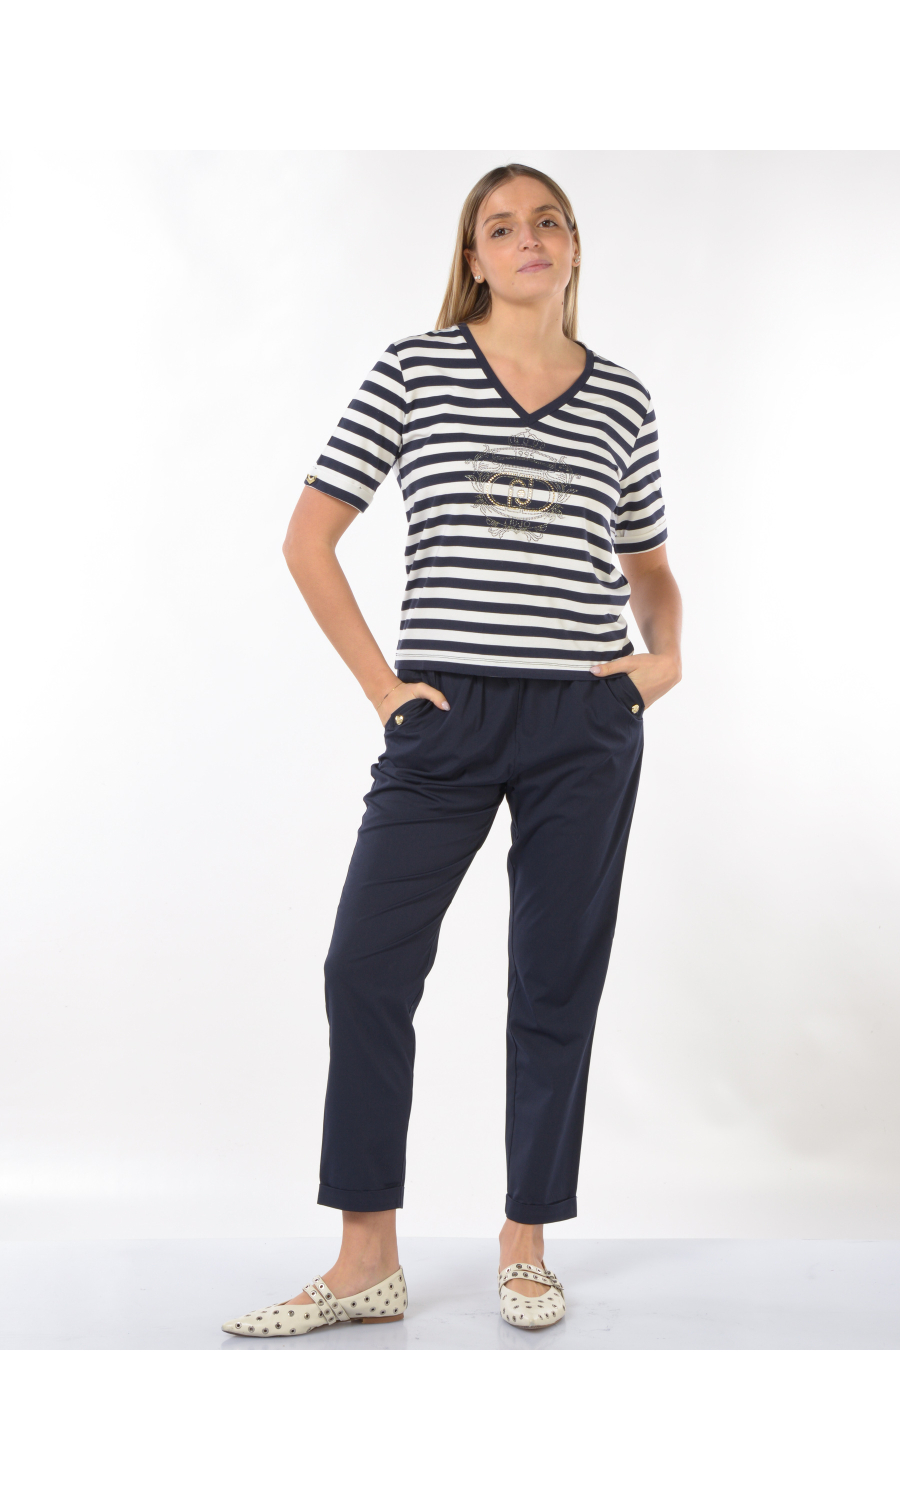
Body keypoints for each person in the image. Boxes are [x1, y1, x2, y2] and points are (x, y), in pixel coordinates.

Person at [222, 162, 682, 1339]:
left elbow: (649, 567)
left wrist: (664, 659)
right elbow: (309, 539)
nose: (529, 239)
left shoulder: (623, 400)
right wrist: (385, 690)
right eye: (502, 226)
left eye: (548, 221)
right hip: (445, 716)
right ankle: (365, 1259)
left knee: (554, 979)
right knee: (364, 966)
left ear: (573, 247)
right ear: (473, 258)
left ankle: (525, 1244)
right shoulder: (415, 370)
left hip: (583, 721)